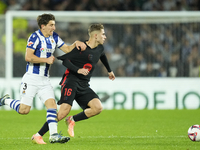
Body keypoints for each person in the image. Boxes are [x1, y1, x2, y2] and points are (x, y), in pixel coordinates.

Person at [0, 13, 86, 144]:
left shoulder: (54, 37)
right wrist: (45, 59)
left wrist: (75, 44)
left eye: (54, 24)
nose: (54, 27)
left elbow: (67, 49)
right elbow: (28, 57)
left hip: (45, 80)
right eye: (51, 25)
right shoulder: (34, 37)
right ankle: (5, 100)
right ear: (43, 26)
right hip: (31, 79)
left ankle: (54, 135)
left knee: (52, 106)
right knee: (24, 110)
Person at [32, 23, 115, 143]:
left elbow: (102, 56)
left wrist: (109, 70)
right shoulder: (81, 48)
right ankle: (38, 135)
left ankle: (72, 119)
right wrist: (78, 70)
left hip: (84, 84)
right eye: (103, 34)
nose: (105, 36)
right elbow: (65, 60)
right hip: (71, 81)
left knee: (97, 107)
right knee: (62, 113)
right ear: (95, 35)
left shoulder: (100, 48)